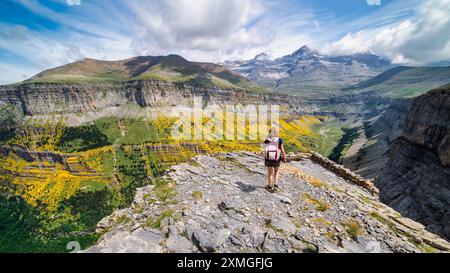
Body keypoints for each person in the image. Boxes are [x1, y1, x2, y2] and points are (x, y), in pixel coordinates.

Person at [264, 127, 287, 192]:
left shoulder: (267, 140)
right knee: (276, 171)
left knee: (270, 172)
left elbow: (265, 148)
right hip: (276, 158)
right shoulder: (280, 140)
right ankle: (276, 184)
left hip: (268, 158)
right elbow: (282, 150)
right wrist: (284, 158)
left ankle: (269, 185)